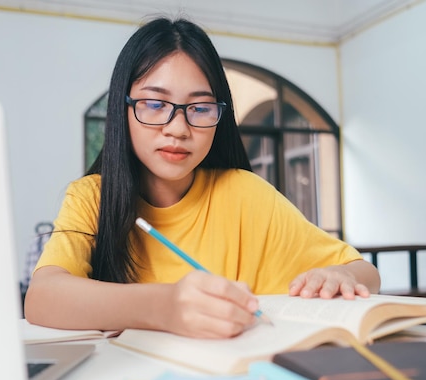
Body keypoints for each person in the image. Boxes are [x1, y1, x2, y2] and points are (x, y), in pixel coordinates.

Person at [24, 17, 380, 339]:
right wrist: (165, 306)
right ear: (123, 109)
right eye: (154, 104)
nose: (178, 129)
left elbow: (365, 272)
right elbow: (42, 299)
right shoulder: (92, 197)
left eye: (200, 108)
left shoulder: (245, 193)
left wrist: (343, 278)